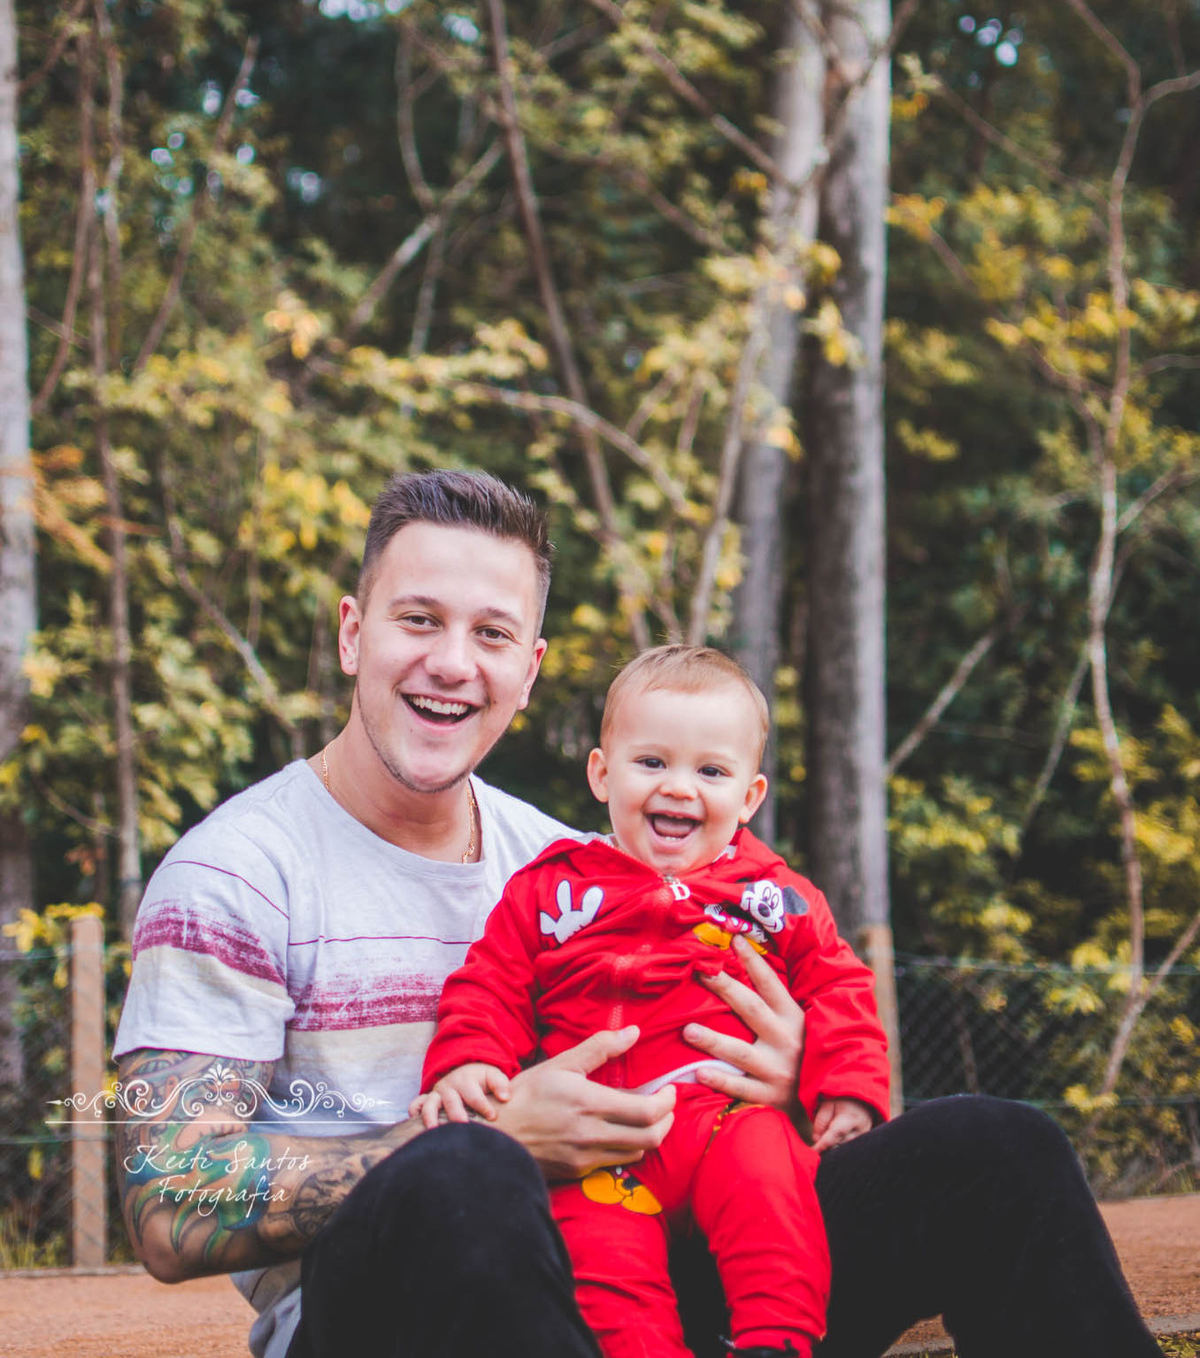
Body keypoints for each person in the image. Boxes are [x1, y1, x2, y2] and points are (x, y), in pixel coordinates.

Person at [113, 468, 1163, 1358]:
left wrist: (793, 1080)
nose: (452, 663)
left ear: (529, 671)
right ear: (354, 635)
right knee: (467, 1173)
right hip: (396, 1317)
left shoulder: (575, 861)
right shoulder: (238, 875)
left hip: (652, 1266)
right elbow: (168, 1205)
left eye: (492, 634)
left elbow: (742, 1039)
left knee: (998, 1149)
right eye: (418, 620)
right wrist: (501, 1141)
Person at [416, 645, 892, 1358]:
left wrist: (848, 1089)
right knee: (600, 1269)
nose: (679, 787)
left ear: (750, 797)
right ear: (602, 774)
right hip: (598, 1138)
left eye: (711, 772)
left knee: (772, 1189)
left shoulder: (775, 897)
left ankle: (777, 1341)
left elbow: (838, 988)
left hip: (727, 1119)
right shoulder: (550, 889)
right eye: (651, 762)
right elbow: (490, 983)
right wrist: (469, 1061)